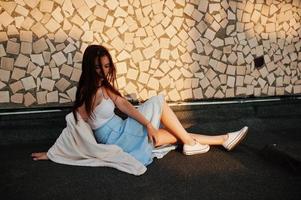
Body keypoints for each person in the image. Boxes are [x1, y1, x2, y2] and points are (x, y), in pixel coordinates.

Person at [31, 45, 248, 166]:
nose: (104, 71)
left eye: (107, 66)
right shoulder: (89, 92)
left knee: (172, 134)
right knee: (158, 102)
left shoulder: (103, 86)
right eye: (98, 67)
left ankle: (224, 139)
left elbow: (125, 105)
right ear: (90, 67)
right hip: (117, 138)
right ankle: (207, 141)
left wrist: (149, 125)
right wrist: (53, 152)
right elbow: (75, 125)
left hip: (124, 129)